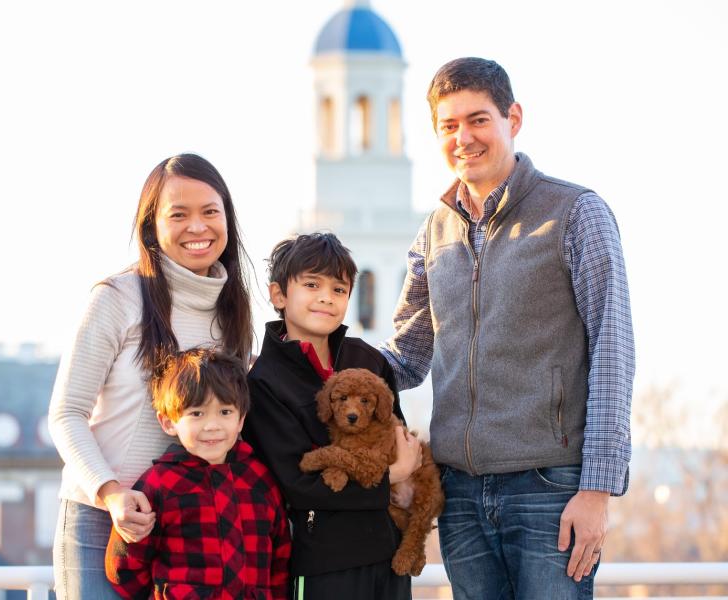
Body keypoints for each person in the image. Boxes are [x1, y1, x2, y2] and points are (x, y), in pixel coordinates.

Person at [379, 57, 635, 599]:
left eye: (478, 120)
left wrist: (598, 489)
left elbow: (613, 348)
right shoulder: (435, 231)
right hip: (460, 493)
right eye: (448, 126)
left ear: (512, 119)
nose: (463, 138)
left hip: (549, 487)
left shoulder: (574, 213)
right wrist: (307, 358)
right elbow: (404, 357)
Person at [48, 153, 253, 599]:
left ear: (227, 219)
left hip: (187, 526)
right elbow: (66, 413)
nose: (197, 227)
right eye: (178, 215)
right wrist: (112, 494)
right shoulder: (117, 297)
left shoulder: (233, 310)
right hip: (99, 519)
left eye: (209, 212)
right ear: (151, 227)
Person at [242, 233, 423, 600]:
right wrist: (393, 475)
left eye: (339, 289)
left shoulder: (368, 360)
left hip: (388, 557)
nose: (326, 296)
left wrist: (403, 474)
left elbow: (397, 437)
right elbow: (299, 485)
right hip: (324, 562)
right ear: (279, 295)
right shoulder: (264, 383)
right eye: (312, 284)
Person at [104, 348, 291, 599]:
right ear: (169, 422)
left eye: (225, 412)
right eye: (197, 413)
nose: (212, 426)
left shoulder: (260, 480)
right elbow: (125, 566)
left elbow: (279, 561)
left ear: (241, 420)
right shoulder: (159, 484)